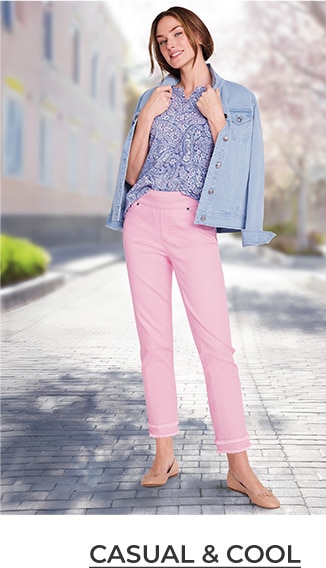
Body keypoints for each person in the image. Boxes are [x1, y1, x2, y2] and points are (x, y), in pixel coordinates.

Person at [106, 6, 280, 509]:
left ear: (197, 35)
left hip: (193, 222)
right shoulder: (152, 97)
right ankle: (164, 454)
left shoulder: (236, 98)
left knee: (217, 350)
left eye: (177, 34)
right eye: (161, 40)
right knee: (154, 345)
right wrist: (146, 122)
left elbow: (244, 166)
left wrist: (216, 117)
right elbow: (133, 174)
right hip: (142, 220)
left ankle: (239, 468)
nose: (170, 44)